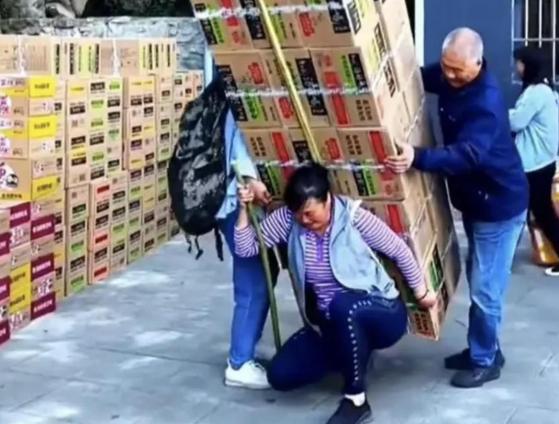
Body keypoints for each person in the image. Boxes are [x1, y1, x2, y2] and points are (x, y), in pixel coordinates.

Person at [385, 28, 529, 389]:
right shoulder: (452, 73)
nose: (448, 76)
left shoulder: (485, 103)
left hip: (499, 206)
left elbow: (467, 155)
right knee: (477, 275)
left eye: (457, 70)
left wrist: (417, 157)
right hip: (476, 203)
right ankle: (484, 348)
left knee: (485, 289)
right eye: (446, 66)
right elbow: (419, 77)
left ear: (477, 63)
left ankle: (484, 361)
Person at [234, 163, 433, 424]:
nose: (304, 220)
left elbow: (398, 249)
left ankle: (356, 400)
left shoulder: (353, 217)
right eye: (299, 215)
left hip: (381, 311)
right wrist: (243, 209)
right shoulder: (289, 220)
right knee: (280, 376)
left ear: (327, 199)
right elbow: (247, 248)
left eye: (310, 213)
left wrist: (422, 292)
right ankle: (353, 354)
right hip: (329, 324)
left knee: (343, 306)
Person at [215, 79, 276, 390]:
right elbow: (239, 152)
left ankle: (247, 348)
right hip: (237, 203)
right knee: (253, 283)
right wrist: (252, 179)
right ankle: (239, 363)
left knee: (265, 275)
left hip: (244, 203)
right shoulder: (242, 94)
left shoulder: (245, 89)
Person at [510, 45, 559, 277]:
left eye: (519, 62)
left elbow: (516, 122)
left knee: (531, 210)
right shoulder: (546, 89)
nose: (516, 66)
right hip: (542, 160)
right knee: (537, 210)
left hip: (533, 163)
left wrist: (496, 113)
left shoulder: (536, 92)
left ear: (528, 65)